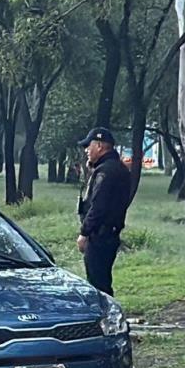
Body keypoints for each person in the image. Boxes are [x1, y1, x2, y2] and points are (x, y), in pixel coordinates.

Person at [76, 127, 131, 296]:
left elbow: (99, 206)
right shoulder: (111, 167)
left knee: (99, 286)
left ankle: (105, 319)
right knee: (100, 282)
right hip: (107, 233)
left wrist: (84, 232)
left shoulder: (106, 171)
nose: (86, 150)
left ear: (99, 146)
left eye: (89, 146)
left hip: (101, 235)